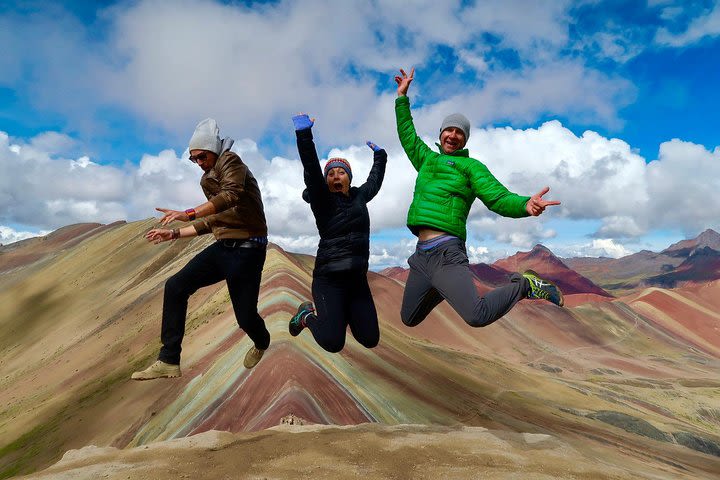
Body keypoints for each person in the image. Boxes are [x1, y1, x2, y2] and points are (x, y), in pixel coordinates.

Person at [393, 68, 564, 331]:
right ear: (440, 135)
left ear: (464, 140)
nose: (452, 135)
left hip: (446, 252)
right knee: (409, 317)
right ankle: (445, 287)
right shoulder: (426, 159)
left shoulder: (471, 167)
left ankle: (526, 285)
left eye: (459, 132)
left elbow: (497, 197)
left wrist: (524, 204)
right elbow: (407, 134)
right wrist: (402, 98)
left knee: (477, 315)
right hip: (421, 256)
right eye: (448, 130)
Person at [132, 118, 270, 380]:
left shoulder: (231, 161)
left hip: (248, 250)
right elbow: (213, 220)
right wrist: (172, 234)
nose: (198, 163)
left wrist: (188, 213)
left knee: (245, 318)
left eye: (201, 156)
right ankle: (169, 359)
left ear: (213, 150)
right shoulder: (207, 180)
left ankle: (262, 342)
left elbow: (231, 195)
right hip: (224, 247)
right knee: (175, 286)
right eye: (193, 159)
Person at [287, 113, 387, 352]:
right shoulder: (322, 201)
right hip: (329, 280)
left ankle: (340, 316)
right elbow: (311, 167)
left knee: (370, 339)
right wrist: (304, 134)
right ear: (326, 182)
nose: (335, 176)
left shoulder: (359, 197)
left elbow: (375, 180)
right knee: (333, 342)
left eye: (341, 172)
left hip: (357, 281)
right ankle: (306, 316)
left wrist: (380, 155)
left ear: (349, 178)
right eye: (330, 174)